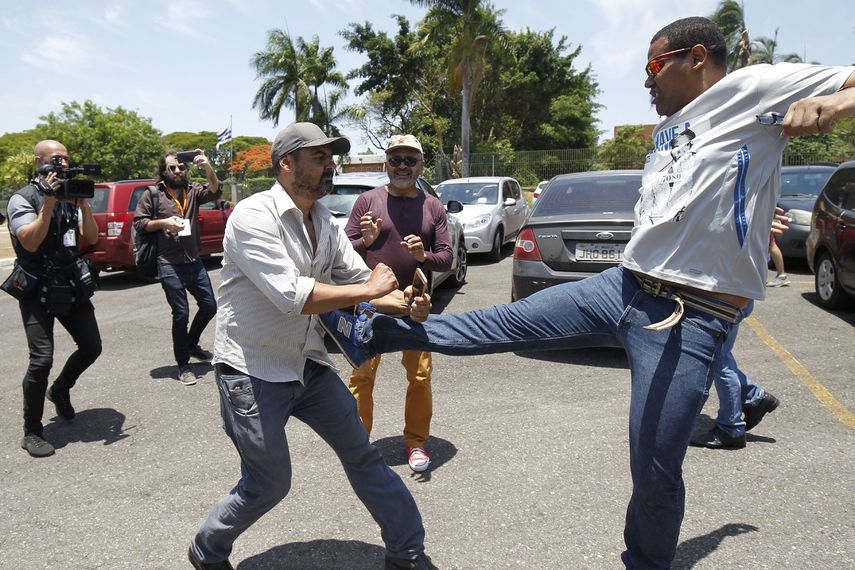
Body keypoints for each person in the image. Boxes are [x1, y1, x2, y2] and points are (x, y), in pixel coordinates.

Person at [321, 18, 855, 569]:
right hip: (624, 284)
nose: (646, 81)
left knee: (654, 469)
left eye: (654, 66)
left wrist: (837, 104)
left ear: (697, 57)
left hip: (691, 315)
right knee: (497, 325)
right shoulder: (673, 123)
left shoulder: (752, 87)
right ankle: (372, 331)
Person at [188, 122, 433, 570]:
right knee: (269, 482)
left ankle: (407, 552)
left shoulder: (324, 220)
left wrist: (406, 303)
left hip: (307, 363)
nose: (330, 165)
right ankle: (207, 549)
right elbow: (291, 296)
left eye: (331, 156)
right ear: (287, 163)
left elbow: (360, 280)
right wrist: (370, 291)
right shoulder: (252, 216)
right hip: (252, 369)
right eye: (319, 157)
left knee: (362, 454)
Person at [344, 134, 453, 473]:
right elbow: (343, 252)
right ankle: (358, 447)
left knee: (420, 377)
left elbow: (447, 257)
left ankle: (416, 443)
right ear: (386, 164)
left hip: (415, 304)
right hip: (371, 303)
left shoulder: (432, 206)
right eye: (395, 160)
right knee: (362, 376)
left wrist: (424, 256)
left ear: (421, 165)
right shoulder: (367, 201)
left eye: (410, 160)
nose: (402, 166)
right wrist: (366, 241)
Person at [6, 140, 103, 457]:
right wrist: (48, 203)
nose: (63, 164)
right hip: (37, 287)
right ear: (39, 161)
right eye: (56, 159)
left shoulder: (70, 197)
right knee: (41, 360)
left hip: (70, 281)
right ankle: (32, 431)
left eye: (66, 159)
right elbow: (30, 242)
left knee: (91, 346)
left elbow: (91, 237)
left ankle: (60, 389)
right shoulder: (23, 198)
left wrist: (83, 204)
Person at [133, 150, 221, 386]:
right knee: (181, 314)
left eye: (181, 167)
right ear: (164, 172)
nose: (178, 171)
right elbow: (139, 223)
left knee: (210, 306)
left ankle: (191, 344)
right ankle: (183, 365)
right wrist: (163, 222)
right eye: (172, 168)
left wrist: (208, 167)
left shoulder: (193, 190)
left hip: (193, 259)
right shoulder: (153, 194)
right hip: (168, 262)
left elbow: (215, 190)